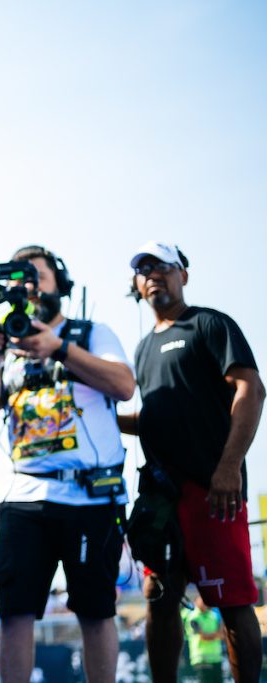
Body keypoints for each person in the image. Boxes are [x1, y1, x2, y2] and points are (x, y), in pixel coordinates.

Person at [0, 245, 135, 683]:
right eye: (19, 279)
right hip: (25, 496)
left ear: (60, 284)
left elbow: (123, 385)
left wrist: (59, 347)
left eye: (36, 276)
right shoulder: (10, 342)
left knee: (96, 610)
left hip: (88, 496)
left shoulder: (89, 333)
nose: (27, 286)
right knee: (14, 611)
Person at [118, 242, 265, 683]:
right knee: (158, 599)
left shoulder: (209, 324)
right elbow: (157, 418)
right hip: (162, 497)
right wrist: (104, 416)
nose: (152, 274)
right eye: (143, 269)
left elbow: (251, 389)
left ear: (184, 273)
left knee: (233, 602)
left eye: (162, 265)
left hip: (213, 490)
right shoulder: (142, 349)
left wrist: (228, 468)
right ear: (136, 285)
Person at [183, 595, 226, 683]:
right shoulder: (193, 617)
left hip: (216, 658)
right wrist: (217, 634)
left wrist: (216, 634)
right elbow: (203, 637)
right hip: (202, 660)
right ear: (196, 601)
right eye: (202, 599)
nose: (205, 602)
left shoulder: (213, 616)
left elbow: (222, 635)